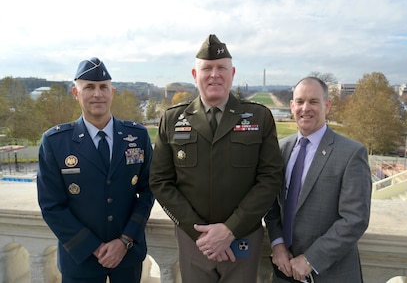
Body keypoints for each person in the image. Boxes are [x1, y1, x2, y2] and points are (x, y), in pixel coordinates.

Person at [149, 34, 283, 283]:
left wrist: (231, 229)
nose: (214, 74)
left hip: (243, 238)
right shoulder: (171, 120)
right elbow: (160, 181)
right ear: (194, 74)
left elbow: (270, 179)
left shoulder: (258, 118)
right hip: (193, 241)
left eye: (221, 68)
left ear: (232, 73)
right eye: (207, 68)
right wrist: (198, 232)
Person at [37, 57, 154, 282]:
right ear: (75, 93)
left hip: (127, 257)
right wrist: (93, 247)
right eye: (89, 87)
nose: (97, 94)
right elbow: (51, 205)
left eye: (103, 87)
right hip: (80, 259)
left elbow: (149, 190)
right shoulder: (55, 142)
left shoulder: (137, 136)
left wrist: (125, 240)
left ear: (112, 92)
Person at [264, 77, 372, 283]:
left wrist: (311, 259)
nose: (306, 108)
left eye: (314, 101)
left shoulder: (351, 153)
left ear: (327, 106)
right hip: (284, 272)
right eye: (300, 101)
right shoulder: (280, 150)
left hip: (331, 274)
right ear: (291, 106)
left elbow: (355, 218)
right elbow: (270, 205)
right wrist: (277, 244)